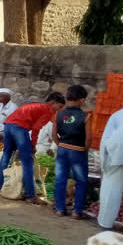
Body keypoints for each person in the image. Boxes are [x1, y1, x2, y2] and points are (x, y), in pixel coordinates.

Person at [0, 93, 66, 204]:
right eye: (60, 106)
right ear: (53, 103)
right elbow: (36, 128)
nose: (59, 110)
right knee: (27, 161)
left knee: (6, 156)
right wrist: (33, 144)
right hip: (19, 127)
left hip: (8, 125)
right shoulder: (48, 110)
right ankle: (31, 195)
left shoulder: (36, 105)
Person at [52, 85, 91, 219]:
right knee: (81, 181)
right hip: (78, 151)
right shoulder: (85, 117)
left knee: (60, 180)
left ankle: (60, 209)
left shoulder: (59, 113)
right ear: (81, 100)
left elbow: (53, 134)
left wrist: (61, 145)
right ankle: (76, 211)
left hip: (62, 150)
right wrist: (84, 150)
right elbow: (88, 138)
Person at [97, 106, 123, 229]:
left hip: (119, 149)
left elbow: (105, 138)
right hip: (120, 146)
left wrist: (103, 164)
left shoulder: (119, 114)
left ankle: (105, 222)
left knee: (111, 186)